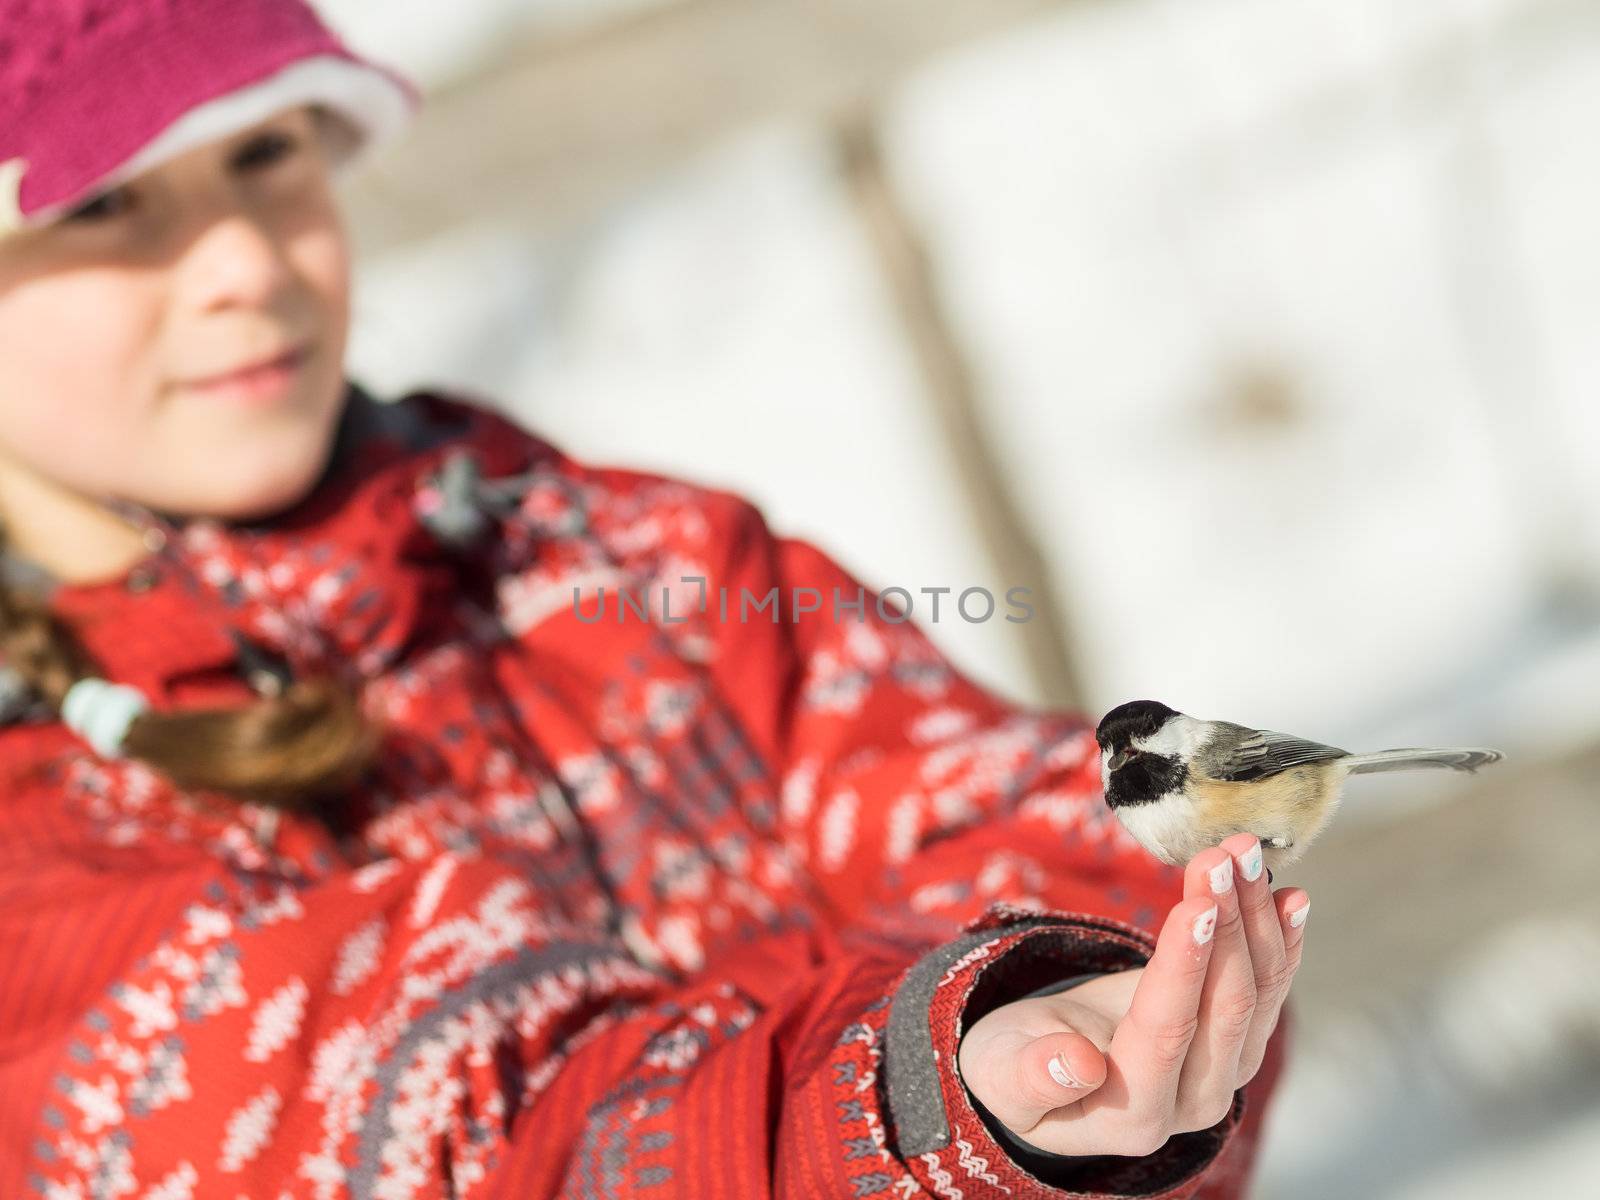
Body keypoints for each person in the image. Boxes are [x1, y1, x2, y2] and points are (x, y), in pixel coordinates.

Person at [0, 2, 1306, 1196]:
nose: (241, 258)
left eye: (265, 155)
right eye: (106, 204)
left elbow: (1049, 820)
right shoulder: (40, 845)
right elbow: (495, 1156)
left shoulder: (620, 557)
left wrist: (1025, 1022)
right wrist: (907, 1099)